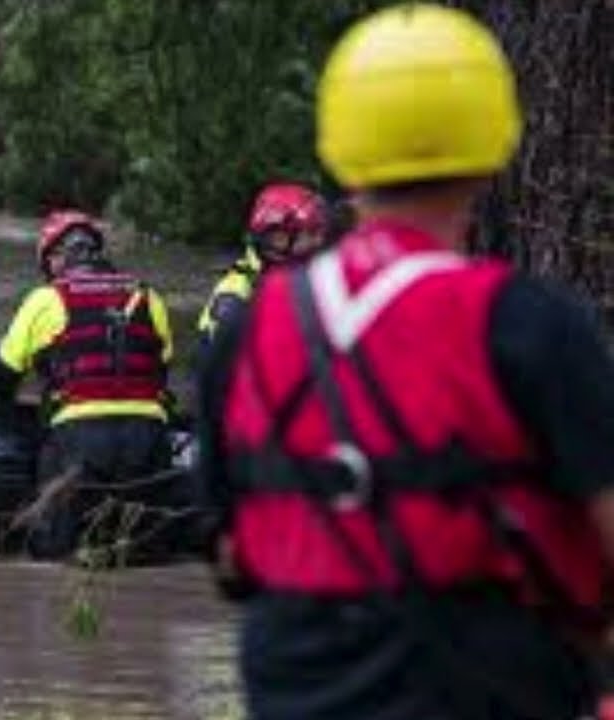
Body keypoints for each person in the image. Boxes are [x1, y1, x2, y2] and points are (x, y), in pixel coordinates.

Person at [196, 5, 614, 719]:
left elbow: (233, 557)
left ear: (339, 149)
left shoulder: (241, 333)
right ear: (496, 143)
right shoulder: (535, 326)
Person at [0, 209, 175, 560]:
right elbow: (161, 371)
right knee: (149, 553)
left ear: (55, 258)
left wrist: (9, 413)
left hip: (79, 442)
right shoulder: (149, 297)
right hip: (148, 438)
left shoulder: (45, 300)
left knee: (53, 553)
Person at [194, 181, 327, 359]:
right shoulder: (235, 295)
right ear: (280, 239)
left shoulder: (304, 278)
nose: (320, 241)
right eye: (311, 233)